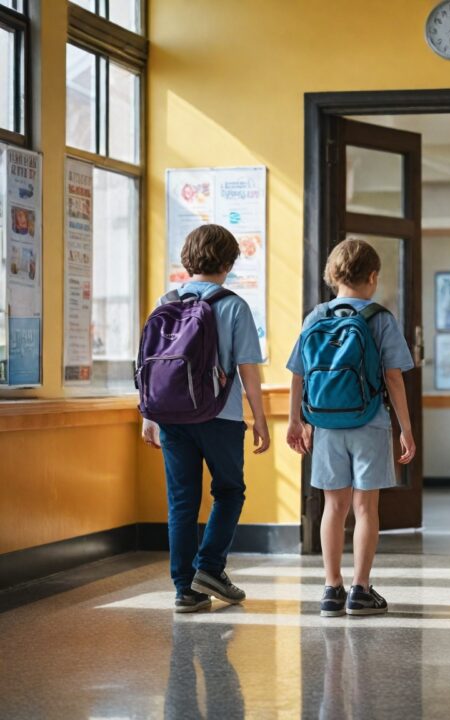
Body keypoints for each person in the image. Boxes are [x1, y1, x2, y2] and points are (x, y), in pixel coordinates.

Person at [141, 224, 270, 613]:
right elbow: (248, 369)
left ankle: (185, 589)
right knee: (229, 492)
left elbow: (148, 364)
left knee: (182, 501)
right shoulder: (233, 306)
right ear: (229, 263)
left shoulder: (166, 301)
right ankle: (210, 568)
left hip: (170, 416)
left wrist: (148, 415)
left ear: (187, 259)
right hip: (221, 416)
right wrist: (259, 418)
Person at [286, 238, 416, 617]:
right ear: (372, 277)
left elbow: (298, 374)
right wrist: (405, 428)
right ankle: (361, 589)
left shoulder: (317, 317)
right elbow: (394, 379)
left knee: (333, 506)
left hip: (325, 424)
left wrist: (298, 419)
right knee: (365, 507)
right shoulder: (380, 318)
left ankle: (331, 589)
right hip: (370, 423)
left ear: (332, 276)